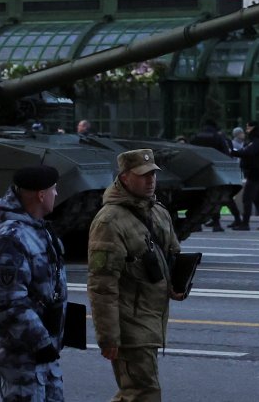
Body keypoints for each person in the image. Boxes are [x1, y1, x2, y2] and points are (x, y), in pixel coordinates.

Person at [87, 149, 186, 401]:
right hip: (130, 325)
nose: (150, 179)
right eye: (143, 175)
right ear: (124, 177)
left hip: (151, 319)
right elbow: (102, 285)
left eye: (153, 173)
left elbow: (172, 254)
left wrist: (177, 283)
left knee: (136, 393)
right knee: (144, 392)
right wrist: (108, 337)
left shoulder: (158, 211)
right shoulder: (109, 222)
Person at [0, 164, 69, 402]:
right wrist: (41, 342)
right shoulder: (10, 237)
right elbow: (6, 303)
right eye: (54, 189)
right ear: (41, 195)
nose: (56, 195)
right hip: (22, 352)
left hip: (41, 350)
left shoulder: (37, 230)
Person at [190, 118, 241, 231]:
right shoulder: (217, 137)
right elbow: (225, 154)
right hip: (215, 171)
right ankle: (216, 223)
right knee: (214, 197)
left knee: (199, 198)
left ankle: (197, 224)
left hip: (199, 170)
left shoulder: (196, 136)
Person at [232, 121, 259, 231]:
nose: (246, 130)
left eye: (248, 128)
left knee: (247, 198)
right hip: (255, 173)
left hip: (255, 173)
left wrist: (234, 153)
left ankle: (245, 223)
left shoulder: (257, 141)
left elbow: (248, 152)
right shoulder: (256, 140)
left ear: (253, 128)